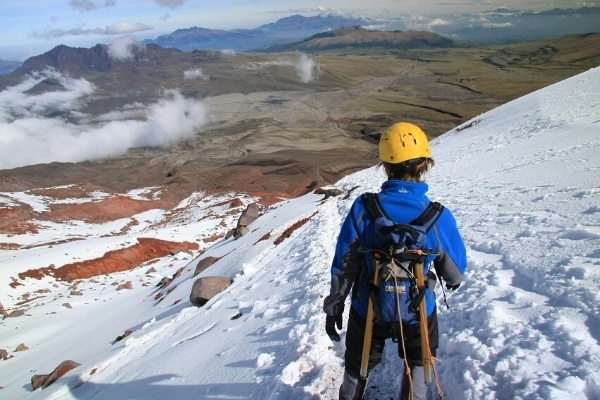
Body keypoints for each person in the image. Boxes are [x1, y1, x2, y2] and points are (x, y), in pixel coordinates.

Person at [323, 122, 467, 400]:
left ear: (385, 165)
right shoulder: (437, 216)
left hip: (369, 307)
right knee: (418, 368)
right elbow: (455, 275)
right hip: (417, 312)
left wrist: (335, 304)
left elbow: (345, 263)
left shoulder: (364, 208)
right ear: (425, 162)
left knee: (356, 368)